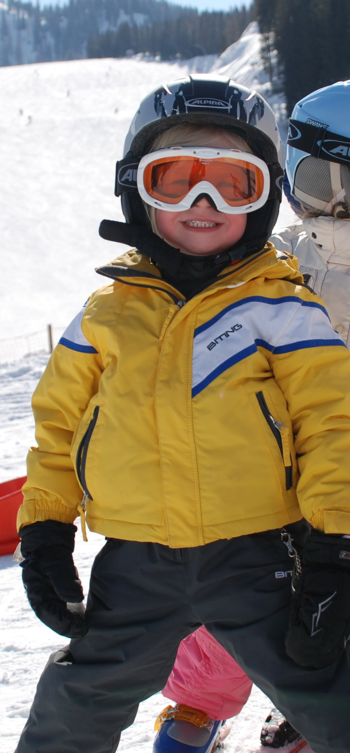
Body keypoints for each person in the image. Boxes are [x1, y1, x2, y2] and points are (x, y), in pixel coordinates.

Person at [14, 75, 350, 753]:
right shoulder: (108, 313)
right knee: (80, 692)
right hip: (137, 558)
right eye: (176, 181)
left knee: (318, 678)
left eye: (234, 184)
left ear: (262, 198)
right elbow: (60, 425)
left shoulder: (280, 306)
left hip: (255, 548)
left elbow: (329, 422)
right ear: (135, 187)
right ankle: (193, 717)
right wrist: (44, 524)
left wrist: (332, 544)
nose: (204, 204)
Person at [153, 79, 350, 753]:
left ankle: (301, 708)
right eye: (325, 181)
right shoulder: (274, 263)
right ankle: (196, 715)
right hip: (270, 478)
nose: (342, 204)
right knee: (238, 609)